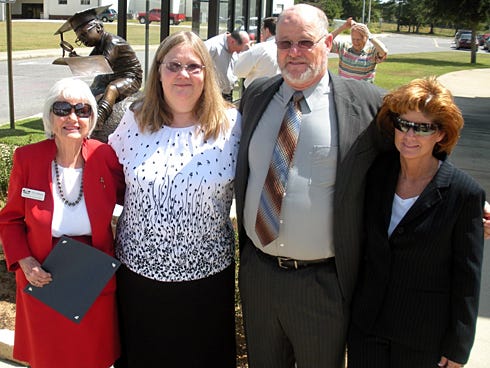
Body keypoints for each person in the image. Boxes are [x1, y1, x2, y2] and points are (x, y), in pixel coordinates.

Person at [235, 4, 392, 367]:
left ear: (329, 43)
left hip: (322, 285)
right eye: (284, 42)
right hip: (259, 275)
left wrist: (460, 203)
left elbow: (411, 157)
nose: (294, 53)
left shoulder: (367, 104)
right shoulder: (257, 95)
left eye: (305, 42)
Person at [108, 31, 241, 367]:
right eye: (174, 65)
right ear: (159, 70)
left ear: (206, 73)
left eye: (194, 66)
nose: (183, 74)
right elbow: (105, 178)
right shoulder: (134, 120)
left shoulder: (232, 125)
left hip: (206, 282)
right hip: (138, 279)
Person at [348, 77, 485, 368]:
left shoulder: (464, 194)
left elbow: (467, 278)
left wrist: (459, 345)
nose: (410, 134)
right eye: (404, 124)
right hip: (368, 327)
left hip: (423, 337)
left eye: (423, 127)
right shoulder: (376, 174)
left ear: (441, 134)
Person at [0, 78, 125, 368]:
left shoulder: (104, 156)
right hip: (42, 274)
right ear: (50, 115)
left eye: (82, 110)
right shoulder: (27, 158)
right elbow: (11, 220)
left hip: (92, 274)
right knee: (48, 358)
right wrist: (24, 261)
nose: (72, 117)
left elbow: (133, 197)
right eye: (62, 108)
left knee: (92, 357)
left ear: (92, 118)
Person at [54, 5, 143, 133]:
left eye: (85, 35)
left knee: (112, 89)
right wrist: (76, 59)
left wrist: (78, 61)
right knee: (96, 84)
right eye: (80, 39)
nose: (83, 40)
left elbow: (102, 64)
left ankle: (99, 118)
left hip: (130, 77)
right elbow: (92, 62)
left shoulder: (112, 42)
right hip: (112, 74)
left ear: (99, 27)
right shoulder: (99, 45)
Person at [330, 17, 388, 83]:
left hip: (363, 92)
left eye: (358, 39)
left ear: (366, 38)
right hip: (344, 90)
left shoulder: (372, 52)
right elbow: (325, 42)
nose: (355, 42)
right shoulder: (344, 47)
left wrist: (369, 35)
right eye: (353, 39)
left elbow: (383, 51)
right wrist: (342, 27)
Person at [234, 17, 280, 88]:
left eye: (262, 31)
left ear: (267, 31)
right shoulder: (285, 48)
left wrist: (245, 52)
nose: (261, 34)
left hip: (257, 93)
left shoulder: (260, 48)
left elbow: (238, 71)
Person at [205, 30, 250, 101]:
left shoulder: (235, 46)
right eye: (236, 50)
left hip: (228, 93)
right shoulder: (212, 46)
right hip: (214, 94)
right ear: (232, 42)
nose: (237, 53)